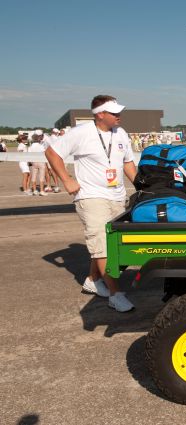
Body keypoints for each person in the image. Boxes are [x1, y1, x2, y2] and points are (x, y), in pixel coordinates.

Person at [45, 95, 137, 312]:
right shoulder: (81, 133)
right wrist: (67, 180)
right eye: (114, 113)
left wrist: (142, 186)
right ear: (100, 114)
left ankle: (91, 279)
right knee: (103, 243)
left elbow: (128, 163)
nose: (119, 116)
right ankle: (115, 294)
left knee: (110, 245)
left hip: (117, 195)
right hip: (91, 196)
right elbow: (52, 152)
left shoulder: (120, 133)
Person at [28, 130, 47, 196]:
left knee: (34, 176)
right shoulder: (41, 146)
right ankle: (41, 190)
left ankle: (34, 190)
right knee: (41, 176)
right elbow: (44, 153)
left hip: (33, 162)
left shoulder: (30, 147)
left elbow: (29, 155)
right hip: (41, 161)